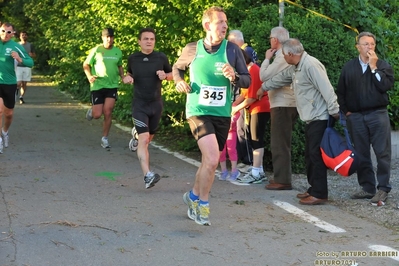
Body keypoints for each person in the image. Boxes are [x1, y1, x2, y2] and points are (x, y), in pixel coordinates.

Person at [173, 6, 251, 225]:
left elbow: (247, 81)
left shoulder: (233, 50)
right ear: (207, 25)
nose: (225, 25)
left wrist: (234, 76)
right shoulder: (192, 48)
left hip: (222, 113)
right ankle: (203, 205)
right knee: (213, 159)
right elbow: (177, 67)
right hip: (197, 110)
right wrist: (179, 81)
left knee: (208, 161)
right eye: (220, 22)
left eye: (226, 21)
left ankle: (193, 196)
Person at [257, 38, 339, 205]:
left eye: (283, 55)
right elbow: (281, 78)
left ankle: (320, 193)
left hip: (320, 117)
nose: (283, 58)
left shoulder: (310, 65)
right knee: (310, 155)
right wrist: (264, 87)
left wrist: (335, 111)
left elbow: (327, 88)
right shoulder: (295, 67)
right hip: (311, 118)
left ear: (290, 54)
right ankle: (313, 189)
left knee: (316, 156)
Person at [336, 32, 394, 206]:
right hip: (356, 117)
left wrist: (373, 67)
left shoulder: (383, 66)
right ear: (358, 47)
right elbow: (341, 91)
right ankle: (367, 187)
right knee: (361, 153)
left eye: (372, 44)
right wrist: (346, 111)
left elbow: (385, 85)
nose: (369, 47)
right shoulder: (349, 67)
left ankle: (383, 188)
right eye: (366, 44)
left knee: (382, 153)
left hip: (378, 114)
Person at [123, 27, 173, 189]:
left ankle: (136, 137)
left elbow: (174, 75)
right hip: (140, 105)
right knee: (145, 140)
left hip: (156, 105)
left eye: (151, 39)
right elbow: (129, 73)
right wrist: (127, 77)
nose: (149, 42)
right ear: (139, 41)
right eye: (146, 39)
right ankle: (147, 175)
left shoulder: (161, 57)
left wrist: (166, 76)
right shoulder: (133, 58)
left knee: (147, 139)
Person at [260, 27, 298, 190]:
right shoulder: (287, 53)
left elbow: (264, 76)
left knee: (279, 143)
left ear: (275, 40)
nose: (270, 41)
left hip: (283, 103)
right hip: (288, 103)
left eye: (270, 38)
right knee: (281, 141)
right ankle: (281, 177)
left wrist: (266, 59)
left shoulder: (281, 54)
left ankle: (282, 180)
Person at [83, 27, 124, 149]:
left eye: (111, 37)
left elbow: (120, 65)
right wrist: (89, 75)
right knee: (97, 115)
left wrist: (122, 76)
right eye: (107, 37)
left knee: (108, 111)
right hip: (98, 85)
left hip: (112, 85)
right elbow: (86, 64)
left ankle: (105, 138)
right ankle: (92, 111)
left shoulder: (118, 51)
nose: (109, 39)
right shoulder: (97, 50)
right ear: (102, 38)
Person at [233, 49, 270, 184]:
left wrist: (235, 109)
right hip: (255, 109)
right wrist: (233, 105)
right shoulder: (248, 71)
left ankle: (256, 172)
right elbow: (244, 94)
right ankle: (258, 170)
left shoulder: (253, 70)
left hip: (260, 108)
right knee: (254, 138)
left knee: (256, 139)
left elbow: (252, 98)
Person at [0, 23, 34, 154]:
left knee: (9, 114)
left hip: (9, 83)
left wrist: (20, 59)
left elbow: (30, 62)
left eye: (9, 32)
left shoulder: (15, 46)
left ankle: (5, 131)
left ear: (13, 34)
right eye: (3, 31)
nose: (5, 34)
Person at [227, 29, 258, 171]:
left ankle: (248, 161)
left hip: (249, 99)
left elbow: (248, 80)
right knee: (240, 130)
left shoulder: (246, 52)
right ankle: (244, 158)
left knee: (243, 131)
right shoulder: (245, 51)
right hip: (242, 96)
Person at [218, 106, 240, 182]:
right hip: (222, 131)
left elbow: (237, 115)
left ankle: (234, 171)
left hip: (231, 131)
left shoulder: (234, 105)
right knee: (221, 151)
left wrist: (232, 122)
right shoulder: (221, 105)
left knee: (231, 150)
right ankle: (224, 171)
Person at [16, 31, 36, 104]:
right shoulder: (17, 45)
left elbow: (34, 55)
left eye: (25, 35)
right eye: (22, 35)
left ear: (27, 36)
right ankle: (15, 93)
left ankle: (21, 97)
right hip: (18, 66)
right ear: (20, 37)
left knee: (24, 83)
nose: (24, 36)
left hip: (27, 66)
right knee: (18, 83)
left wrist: (32, 55)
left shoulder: (30, 45)